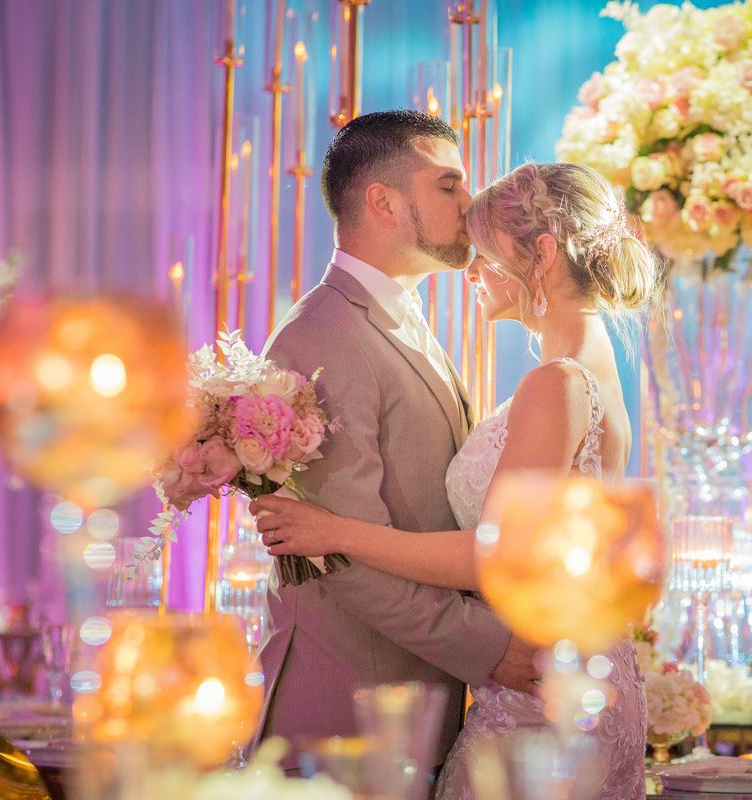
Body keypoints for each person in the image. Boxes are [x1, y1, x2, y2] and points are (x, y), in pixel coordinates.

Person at [253, 160, 659, 799]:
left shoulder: (556, 382)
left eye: (485, 253)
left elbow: (495, 556)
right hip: (573, 668)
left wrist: (336, 532)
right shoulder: (592, 360)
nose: (470, 270)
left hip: (540, 688)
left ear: (542, 254)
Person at [255, 110, 542, 774]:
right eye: (448, 185)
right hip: (346, 707)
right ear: (383, 202)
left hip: (415, 694)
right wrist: (490, 648)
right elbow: (336, 553)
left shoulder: (399, 316)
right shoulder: (322, 336)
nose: (469, 203)